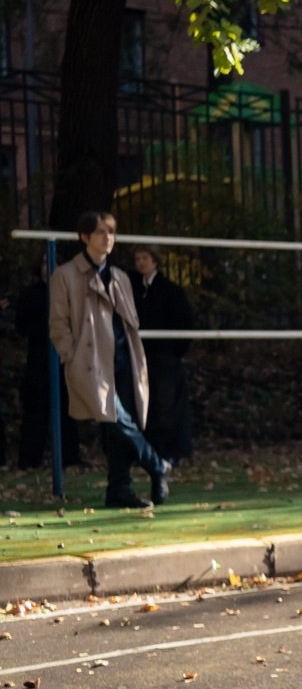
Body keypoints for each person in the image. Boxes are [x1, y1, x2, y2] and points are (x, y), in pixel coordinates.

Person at [48, 211, 171, 509]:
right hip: (90, 364)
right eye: (101, 232)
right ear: (85, 237)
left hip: (123, 360)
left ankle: (119, 489)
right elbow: (58, 323)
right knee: (116, 419)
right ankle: (157, 465)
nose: (108, 238)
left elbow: (130, 320)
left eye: (112, 232)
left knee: (117, 428)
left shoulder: (120, 277)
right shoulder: (65, 275)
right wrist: (71, 355)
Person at [13, 260, 81, 470]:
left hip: (63, 356)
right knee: (36, 409)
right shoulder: (32, 294)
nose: (47, 267)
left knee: (68, 409)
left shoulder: (68, 292)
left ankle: (70, 457)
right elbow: (21, 325)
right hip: (39, 358)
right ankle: (30, 459)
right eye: (43, 264)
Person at [131, 247, 196, 463]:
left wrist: (174, 351)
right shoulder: (136, 290)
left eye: (145, 258)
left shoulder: (170, 290)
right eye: (138, 259)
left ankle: (170, 452)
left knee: (165, 405)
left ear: (155, 261)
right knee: (147, 404)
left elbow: (185, 323)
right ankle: (152, 450)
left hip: (164, 356)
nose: (141, 263)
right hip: (143, 355)